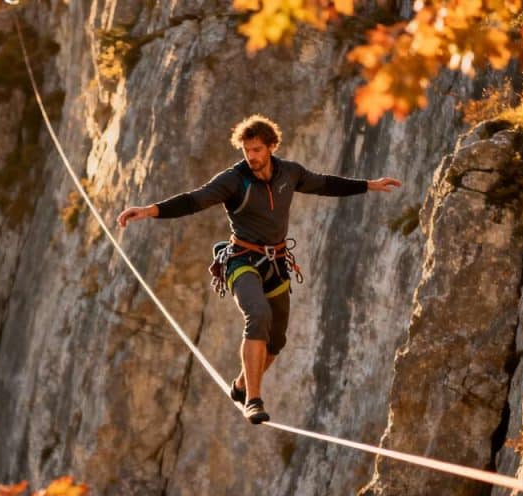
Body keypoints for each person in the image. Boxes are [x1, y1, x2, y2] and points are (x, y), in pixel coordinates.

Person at [116, 115, 401, 424]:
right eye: (246, 150)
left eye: (256, 150)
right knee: (258, 315)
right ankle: (253, 399)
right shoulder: (234, 180)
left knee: (276, 341)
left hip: (276, 264)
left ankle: (240, 385)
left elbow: (324, 184)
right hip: (241, 261)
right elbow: (194, 200)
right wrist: (150, 211)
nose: (251, 156)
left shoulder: (289, 173)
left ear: (271, 147)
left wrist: (368, 185)